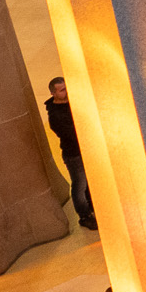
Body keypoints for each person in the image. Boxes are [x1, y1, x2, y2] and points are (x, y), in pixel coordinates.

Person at [44, 75, 95, 230]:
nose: (67, 92)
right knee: (80, 184)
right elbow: (72, 134)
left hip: (85, 149)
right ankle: (84, 216)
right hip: (74, 154)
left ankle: (93, 208)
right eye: (62, 90)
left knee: (89, 183)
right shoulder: (55, 115)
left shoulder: (72, 103)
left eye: (67, 88)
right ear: (53, 93)